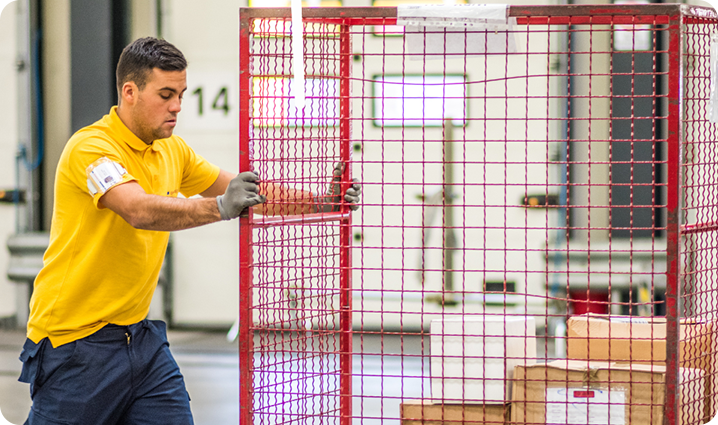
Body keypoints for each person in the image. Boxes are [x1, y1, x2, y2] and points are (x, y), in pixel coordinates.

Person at [18, 37, 360, 425]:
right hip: (75, 344)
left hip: (141, 341)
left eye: (180, 94)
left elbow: (247, 192)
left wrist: (322, 202)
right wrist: (218, 208)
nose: (177, 106)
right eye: (165, 94)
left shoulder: (172, 151)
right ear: (129, 92)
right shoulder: (92, 148)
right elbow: (136, 208)